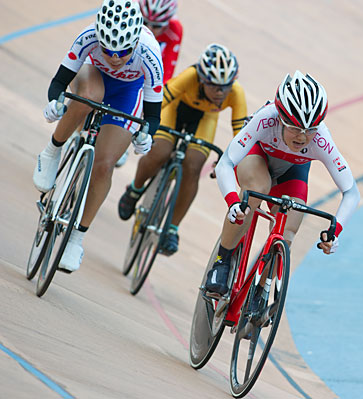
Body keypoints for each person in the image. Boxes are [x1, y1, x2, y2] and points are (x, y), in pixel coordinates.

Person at [33, 0, 163, 272]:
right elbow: (59, 81)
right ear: (100, 37)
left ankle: (76, 239)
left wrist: (145, 135)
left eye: (124, 51)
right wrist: (56, 102)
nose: (115, 57)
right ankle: (52, 150)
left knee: (104, 166)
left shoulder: (150, 54)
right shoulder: (88, 36)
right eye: (108, 49)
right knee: (91, 97)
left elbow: (151, 115)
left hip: (128, 93)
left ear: (135, 41)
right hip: (92, 77)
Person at [204, 71, 361, 295]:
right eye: (295, 128)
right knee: (258, 189)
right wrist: (232, 202)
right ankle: (222, 260)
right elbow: (225, 163)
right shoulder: (266, 119)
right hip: (257, 156)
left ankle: (260, 292)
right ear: (281, 118)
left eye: (310, 130)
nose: (302, 137)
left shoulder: (321, 138)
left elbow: (351, 192)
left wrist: (336, 230)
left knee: (288, 231)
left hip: (292, 170)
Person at [117, 43, 248, 255]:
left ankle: (172, 228)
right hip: (175, 110)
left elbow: (242, 135)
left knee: (193, 166)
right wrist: (142, 126)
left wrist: (231, 161)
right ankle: (135, 188)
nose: (220, 92)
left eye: (226, 87)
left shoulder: (236, 92)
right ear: (202, 80)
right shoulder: (189, 76)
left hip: (205, 119)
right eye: (214, 86)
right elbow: (159, 100)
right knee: (159, 152)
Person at [116, 0, 181, 167]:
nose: (149, 30)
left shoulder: (175, 30)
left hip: (143, 74)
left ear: (167, 24)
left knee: (147, 94)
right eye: (144, 23)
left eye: (157, 26)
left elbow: (166, 74)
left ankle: (122, 139)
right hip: (117, 65)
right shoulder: (125, 15)